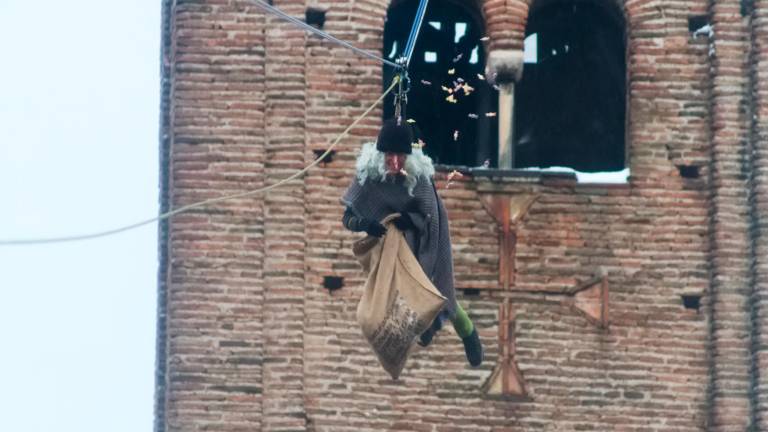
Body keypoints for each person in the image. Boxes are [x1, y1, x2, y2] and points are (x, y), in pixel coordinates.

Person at [341, 117, 483, 367]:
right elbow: (348, 216)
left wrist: (413, 220)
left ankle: (468, 333)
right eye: (389, 156)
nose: (395, 163)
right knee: (400, 297)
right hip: (391, 245)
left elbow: (431, 214)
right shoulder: (369, 177)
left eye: (401, 157)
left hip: (426, 239)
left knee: (440, 291)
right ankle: (424, 327)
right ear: (380, 154)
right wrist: (365, 224)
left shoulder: (419, 178)